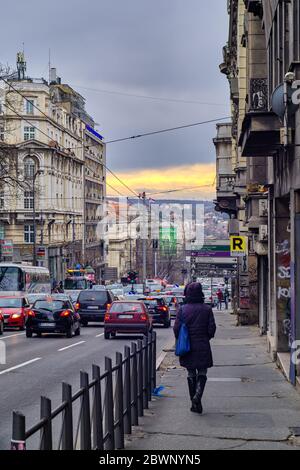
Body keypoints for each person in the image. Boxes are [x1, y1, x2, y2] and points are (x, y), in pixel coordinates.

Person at [174, 282, 216, 414]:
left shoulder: (182, 309)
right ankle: (197, 397)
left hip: (187, 346)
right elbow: (212, 328)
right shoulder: (207, 309)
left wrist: (181, 339)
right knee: (202, 372)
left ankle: (194, 400)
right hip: (202, 344)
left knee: (191, 372)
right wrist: (206, 337)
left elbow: (176, 328)